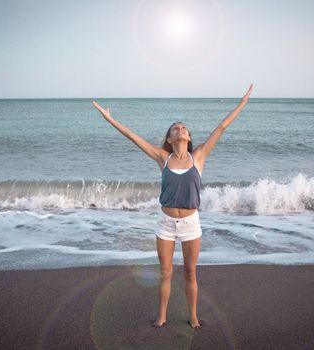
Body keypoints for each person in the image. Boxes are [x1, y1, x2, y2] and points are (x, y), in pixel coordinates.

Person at [92, 83, 254, 330]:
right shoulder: (162, 157)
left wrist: (243, 102)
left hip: (191, 224)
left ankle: (193, 316)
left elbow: (222, 127)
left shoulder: (197, 156)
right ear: (170, 138)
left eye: (184, 128)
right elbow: (133, 137)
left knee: (190, 273)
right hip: (166, 224)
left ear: (188, 138)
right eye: (176, 128)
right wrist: (109, 119)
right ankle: (162, 315)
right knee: (165, 273)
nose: (181, 129)